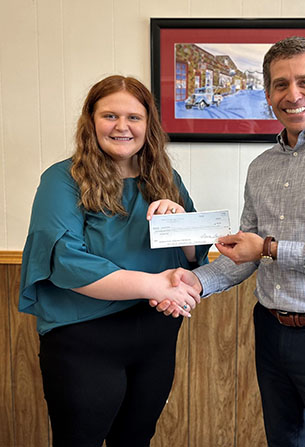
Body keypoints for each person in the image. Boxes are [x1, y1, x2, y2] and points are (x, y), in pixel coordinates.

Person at [155, 36, 305, 446]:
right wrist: (195, 282)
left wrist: (271, 248)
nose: (292, 94)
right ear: (267, 94)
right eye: (281, 84)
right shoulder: (261, 167)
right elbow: (244, 254)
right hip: (270, 331)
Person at [18, 75, 209, 447]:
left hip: (155, 334)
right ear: (91, 121)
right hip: (84, 338)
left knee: (136, 439)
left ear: (148, 125)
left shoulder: (165, 178)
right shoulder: (62, 179)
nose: (122, 126)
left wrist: (180, 222)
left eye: (134, 117)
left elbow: (193, 255)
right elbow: (66, 261)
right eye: (110, 116)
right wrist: (152, 284)